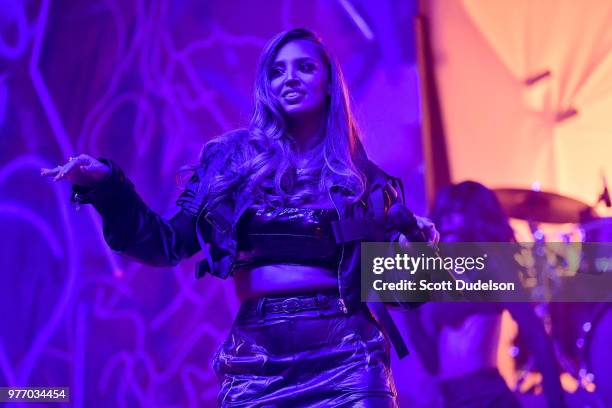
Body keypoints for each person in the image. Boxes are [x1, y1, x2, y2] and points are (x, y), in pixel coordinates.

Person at [41, 28, 437, 407]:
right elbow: (167, 244)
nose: (290, 79)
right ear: (266, 86)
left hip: (349, 356)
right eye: (277, 71)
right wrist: (108, 185)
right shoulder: (231, 162)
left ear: (330, 83)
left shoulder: (363, 180)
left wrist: (417, 251)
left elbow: (405, 297)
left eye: (305, 67)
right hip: (258, 361)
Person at [407, 181, 565, 407]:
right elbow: (432, 363)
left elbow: (537, 336)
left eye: (459, 211)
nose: (450, 219)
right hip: (450, 398)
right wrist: (409, 310)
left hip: (487, 397)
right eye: (446, 213)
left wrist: (558, 404)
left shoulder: (495, 267)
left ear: (477, 220)